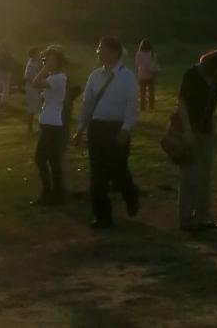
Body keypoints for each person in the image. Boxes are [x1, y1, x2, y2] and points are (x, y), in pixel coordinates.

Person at [73, 36, 140, 230]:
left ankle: (131, 195)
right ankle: (102, 216)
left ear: (115, 52)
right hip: (97, 128)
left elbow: (132, 104)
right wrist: (80, 128)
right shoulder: (95, 76)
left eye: (102, 49)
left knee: (118, 169)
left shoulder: (127, 76)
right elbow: (87, 103)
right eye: (98, 49)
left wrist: (126, 128)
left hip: (117, 128)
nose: (99, 52)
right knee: (97, 173)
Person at [176, 49, 217, 232]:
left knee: (205, 176)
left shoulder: (214, 77)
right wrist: (187, 131)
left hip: (207, 131)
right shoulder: (191, 74)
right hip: (190, 130)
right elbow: (182, 103)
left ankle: (202, 216)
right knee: (189, 176)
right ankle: (186, 218)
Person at [31, 47, 69, 206]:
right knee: (52, 160)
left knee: (41, 158)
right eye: (47, 60)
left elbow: (35, 83)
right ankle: (55, 194)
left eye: (52, 61)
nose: (48, 63)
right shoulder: (54, 77)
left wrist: (44, 69)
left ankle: (50, 193)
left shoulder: (58, 78)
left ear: (59, 62)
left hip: (52, 124)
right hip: (49, 123)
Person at [135, 40, 160, 112]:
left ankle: (142, 107)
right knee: (151, 92)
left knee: (142, 92)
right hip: (151, 75)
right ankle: (151, 106)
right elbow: (155, 62)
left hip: (142, 75)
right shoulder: (152, 53)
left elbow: (137, 63)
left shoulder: (138, 54)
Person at [23, 48, 43, 133]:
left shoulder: (36, 63)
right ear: (33, 54)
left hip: (36, 87)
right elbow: (28, 78)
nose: (39, 55)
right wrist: (37, 84)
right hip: (31, 88)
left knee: (39, 107)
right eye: (37, 53)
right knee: (32, 107)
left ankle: (39, 127)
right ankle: (30, 128)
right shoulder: (30, 65)